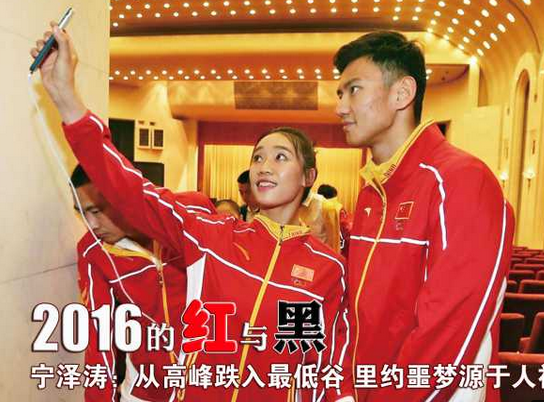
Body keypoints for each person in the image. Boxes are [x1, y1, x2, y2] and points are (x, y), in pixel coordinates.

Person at [31, 23, 352, 402]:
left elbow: (328, 369)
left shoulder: (329, 267)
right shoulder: (212, 235)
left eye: (280, 157)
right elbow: (133, 192)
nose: (264, 167)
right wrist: (67, 99)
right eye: (257, 157)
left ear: (308, 177)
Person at [334, 31, 515, 401]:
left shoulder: (461, 180)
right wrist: (347, 389)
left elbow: (446, 335)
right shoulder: (372, 191)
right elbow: (356, 315)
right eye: (340, 94)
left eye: (353, 90)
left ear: (402, 93)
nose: (340, 107)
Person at [71, 164, 215, 402]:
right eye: (82, 213)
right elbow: (98, 337)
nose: (91, 225)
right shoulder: (93, 251)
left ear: (126, 195)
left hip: (207, 381)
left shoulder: (192, 209)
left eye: (96, 211)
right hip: (145, 389)